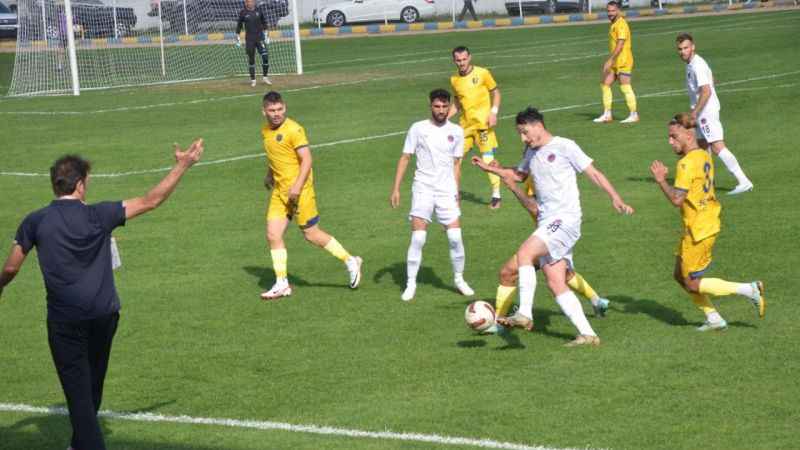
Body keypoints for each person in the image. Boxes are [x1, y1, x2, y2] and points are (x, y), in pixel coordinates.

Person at [0, 140, 205, 450]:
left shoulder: (36, 221)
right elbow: (152, 200)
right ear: (80, 184)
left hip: (65, 323)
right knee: (91, 388)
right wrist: (183, 165)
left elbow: (12, 267)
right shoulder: (101, 214)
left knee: (80, 397)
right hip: (104, 316)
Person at [473, 107, 634, 346]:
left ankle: (525, 313)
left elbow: (594, 173)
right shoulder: (530, 150)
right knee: (556, 280)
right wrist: (491, 169)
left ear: (538, 125)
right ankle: (588, 334)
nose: (523, 138)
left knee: (525, 253)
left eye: (524, 132)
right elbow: (517, 175)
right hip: (549, 221)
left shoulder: (565, 146)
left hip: (565, 219)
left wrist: (615, 197)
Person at [649, 113, 765, 331]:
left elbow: (676, 199)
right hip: (703, 221)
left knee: (691, 282)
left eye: (674, 136)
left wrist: (661, 180)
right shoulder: (703, 154)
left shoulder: (685, 164)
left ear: (688, 135)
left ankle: (749, 289)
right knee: (679, 275)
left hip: (699, 229)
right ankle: (713, 318)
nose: (670, 141)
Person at [260, 91, 362, 299]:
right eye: (272, 110)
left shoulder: (294, 129)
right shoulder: (265, 131)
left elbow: (306, 160)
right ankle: (282, 284)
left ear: (285, 108)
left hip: (301, 191)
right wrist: (269, 174)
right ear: (264, 111)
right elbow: (274, 155)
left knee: (311, 234)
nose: (276, 114)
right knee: (273, 234)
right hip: (280, 191)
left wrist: (297, 186)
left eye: (279, 109)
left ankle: (350, 260)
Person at [390, 89, 474, 302]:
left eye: (445, 106)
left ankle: (459, 279)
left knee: (455, 237)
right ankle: (410, 284)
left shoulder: (456, 131)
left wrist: (456, 191)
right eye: (437, 106)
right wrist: (396, 188)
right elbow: (405, 158)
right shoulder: (418, 128)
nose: (441, 110)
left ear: (449, 107)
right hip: (423, 188)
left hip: (446, 190)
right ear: (430, 106)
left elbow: (456, 164)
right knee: (418, 238)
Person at [676, 33, 753, 195]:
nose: (682, 51)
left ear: (693, 47)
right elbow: (711, 80)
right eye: (680, 49)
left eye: (685, 48)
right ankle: (708, 183)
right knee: (702, 147)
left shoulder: (697, 65)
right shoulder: (692, 64)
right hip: (701, 112)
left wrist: (695, 113)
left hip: (705, 113)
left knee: (718, 147)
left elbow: (706, 91)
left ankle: (743, 181)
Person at [449, 46, 503, 209]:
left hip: (483, 125)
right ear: (454, 61)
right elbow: (458, 103)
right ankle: (453, 194)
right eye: (458, 60)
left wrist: (493, 112)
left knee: (487, 158)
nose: (461, 63)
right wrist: (443, 117)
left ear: (469, 58)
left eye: (464, 59)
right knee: (454, 158)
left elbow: (496, 93)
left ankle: (496, 194)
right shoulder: (454, 80)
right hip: (465, 127)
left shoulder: (482, 73)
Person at [594, 1, 638, 124]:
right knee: (605, 84)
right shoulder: (614, 24)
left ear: (618, 11)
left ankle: (634, 114)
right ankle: (607, 114)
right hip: (616, 62)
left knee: (625, 86)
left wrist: (610, 59)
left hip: (623, 61)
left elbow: (620, 44)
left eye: (613, 11)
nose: (610, 13)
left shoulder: (621, 24)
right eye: (608, 11)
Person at [236, 0, 271, 87]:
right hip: (250, 40)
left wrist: (267, 36)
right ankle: (253, 80)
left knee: (265, 57)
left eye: (252, 1)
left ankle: (265, 77)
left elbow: (264, 23)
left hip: (260, 38)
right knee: (251, 59)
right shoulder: (243, 13)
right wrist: (238, 39)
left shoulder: (259, 11)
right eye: (249, 2)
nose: (251, 3)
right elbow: (239, 26)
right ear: (246, 3)